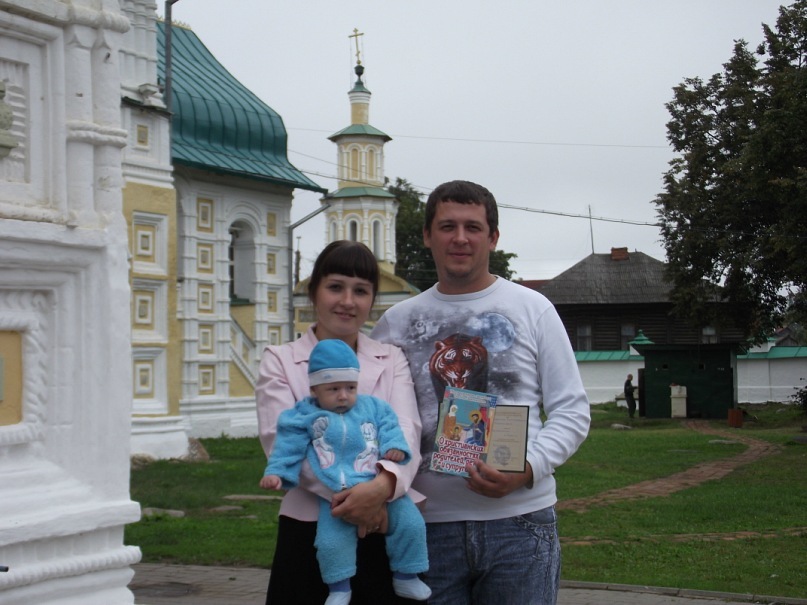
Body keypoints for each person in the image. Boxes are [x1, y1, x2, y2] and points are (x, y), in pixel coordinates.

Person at [371, 180, 591, 605]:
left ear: (493, 237)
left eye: (473, 227)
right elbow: (374, 415)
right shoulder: (397, 321)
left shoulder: (533, 309)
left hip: (520, 525)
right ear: (427, 235)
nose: (460, 238)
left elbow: (572, 411)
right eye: (447, 226)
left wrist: (528, 468)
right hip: (424, 526)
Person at [256, 240, 425, 604]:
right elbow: (282, 439)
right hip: (310, 530)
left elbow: (406, 430)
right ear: (314, 291)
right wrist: (355, 501)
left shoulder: (391, 358)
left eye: (361, 291)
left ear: (372, 299)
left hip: (386, 526)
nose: (348, 301)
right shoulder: (280, 360)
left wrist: (381, 490)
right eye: (335, 287)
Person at [261, 339, 431, 605]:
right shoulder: (304, 415)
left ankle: (406, 575)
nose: (343, 395)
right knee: (331, 543)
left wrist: (395, 447)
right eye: (333, 389)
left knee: (411, 524)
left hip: (379, 483)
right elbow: (287, 445)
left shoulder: (372, 407)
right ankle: (339, 588)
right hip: (334, 493)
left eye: (350, 387)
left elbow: (392, 426)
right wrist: (277, 472)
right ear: (315, 389)